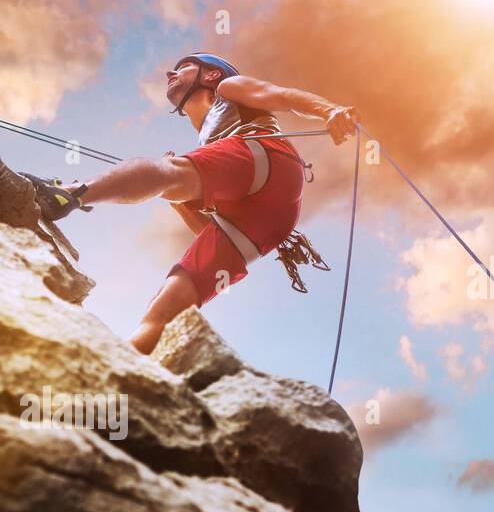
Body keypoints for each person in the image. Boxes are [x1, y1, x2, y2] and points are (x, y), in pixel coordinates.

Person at [32, 53, 357, 354]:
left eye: (183, 66)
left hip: (267, 157)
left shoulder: (229, 88)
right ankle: (123, 371)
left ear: (212, 74)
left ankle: (69, 193)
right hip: (266, 219)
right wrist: (180, 200)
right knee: (164, 308)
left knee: (169, 173)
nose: (169, 72)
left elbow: (282, 96)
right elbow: (210, 229)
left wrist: (329, 110)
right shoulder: (207, 137)